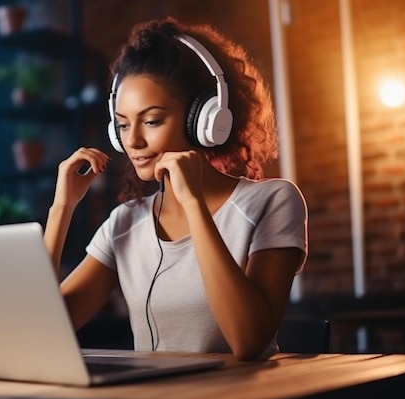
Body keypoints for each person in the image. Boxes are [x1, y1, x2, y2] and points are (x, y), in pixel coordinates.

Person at [43, 17, 308, 360]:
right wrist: (61, 209)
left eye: (151, 120)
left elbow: (249, 341)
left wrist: (193, 204)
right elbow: (48, 328)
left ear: (204, 120)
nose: (133, 141)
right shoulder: (124, 223)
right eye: (122, 125)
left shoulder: (272, 201)